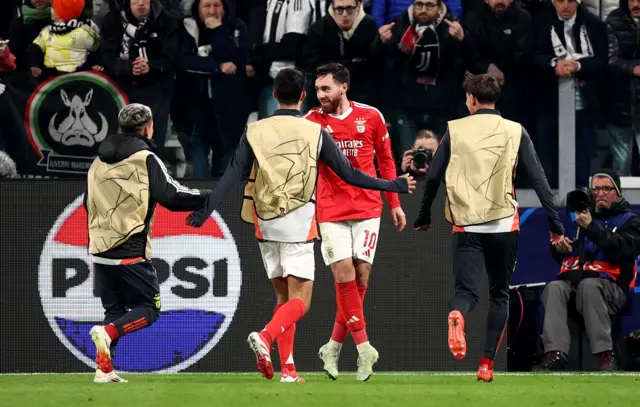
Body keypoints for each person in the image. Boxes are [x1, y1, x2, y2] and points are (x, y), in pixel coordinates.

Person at [185, 67, 415, 382]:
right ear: (304, 96)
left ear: (274, 95)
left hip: (264, 224)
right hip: (300, 221)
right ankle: (266, 337)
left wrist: (206, 208)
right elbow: (349, 174)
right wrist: (394, 187)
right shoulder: (314, 129)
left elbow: (231, 176)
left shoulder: (255, 129)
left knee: (283, 300)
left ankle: (289, 370)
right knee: (299, 301)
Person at [413, 74, 564, 382]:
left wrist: (424, 215)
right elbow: (538, 180)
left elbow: (433, 176)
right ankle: (486, 365)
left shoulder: (455, 130)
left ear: (471, 99)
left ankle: (458, 313)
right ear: (497, 99)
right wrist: (555, 224)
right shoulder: (515, 130)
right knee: (499, 295)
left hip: (466, 224)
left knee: (466, 291)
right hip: (503, 225)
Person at [86, 103, 210, 383]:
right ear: (149, 127)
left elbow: (86, 203)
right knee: (149, 310)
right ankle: (107, 333)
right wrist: (206, 196)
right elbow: (171, 195)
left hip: (100, 249)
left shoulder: (98, 160)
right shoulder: (146, 158)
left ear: (120, 127)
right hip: (130, 249)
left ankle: (103, 370)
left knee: (114, 310)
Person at [304, 62, 406, 381]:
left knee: (360, 280)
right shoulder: (311, 121)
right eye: (317, 89)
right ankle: (364, 349)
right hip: (331, 209)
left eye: (326, 89)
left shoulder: (371, 116)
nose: (320, 95)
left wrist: (395, 204)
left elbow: (386, 160)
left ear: (343, 87)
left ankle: (332, 347)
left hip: (368, 208)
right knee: (344, 273)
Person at [534, 169, 640, 372]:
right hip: (579, 284)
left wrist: (591, 227)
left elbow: (622, 249)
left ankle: (605, 355)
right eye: (596, 189)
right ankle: (555, 353)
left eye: (606, 189)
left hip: (614, 289)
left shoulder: (631, 221)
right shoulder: (583, 219)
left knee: (589, 286)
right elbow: (575, 256)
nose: (600, 193)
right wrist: (560, 248)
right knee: (555, 288)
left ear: (617, 192)